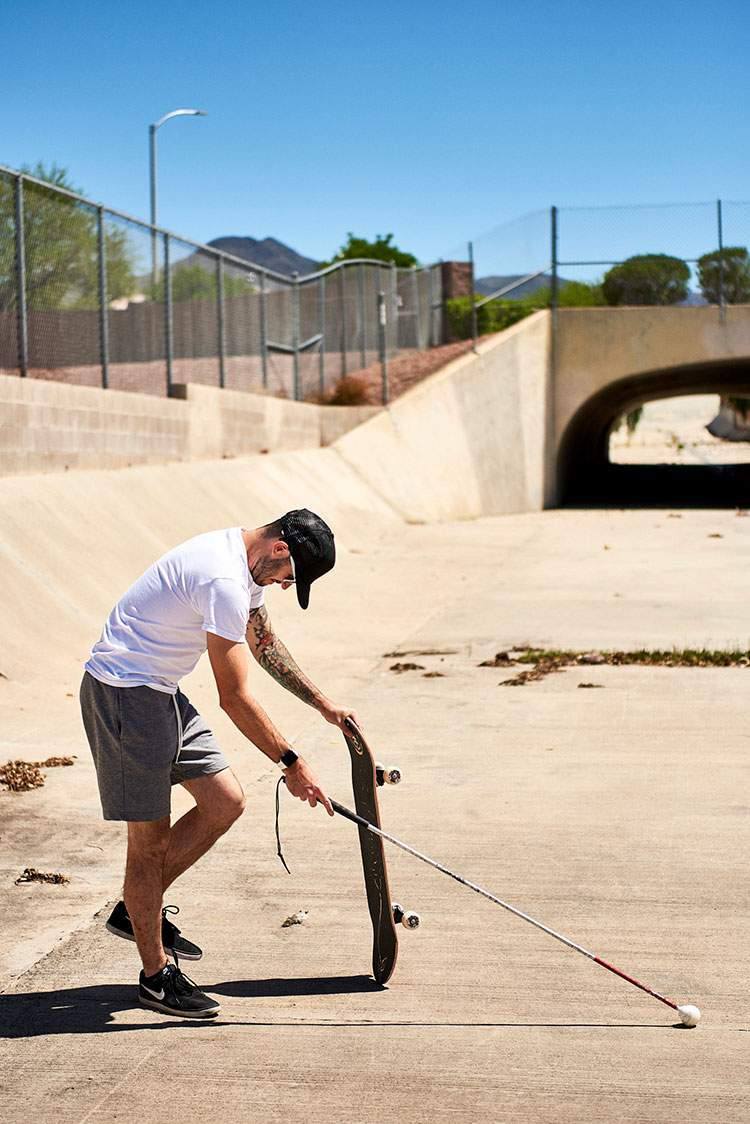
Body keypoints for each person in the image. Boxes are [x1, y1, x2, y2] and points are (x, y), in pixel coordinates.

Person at [80, 509, 358, 1019]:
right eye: (287, 577)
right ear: (280, 548)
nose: (281, 586)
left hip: (160, 692)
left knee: (224, 801)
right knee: (149, 845)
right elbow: (234, 697)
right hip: (123, 694)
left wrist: (322, 705)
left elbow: (265, 645)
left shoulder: (245, 564)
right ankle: (155, 979)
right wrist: (290, 762)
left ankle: (134, 910)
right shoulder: (223, 577)